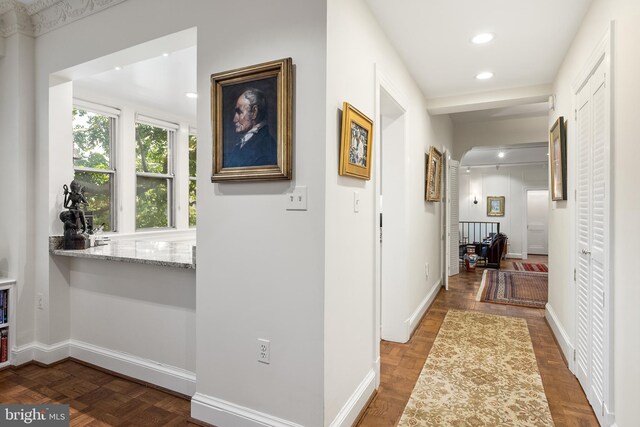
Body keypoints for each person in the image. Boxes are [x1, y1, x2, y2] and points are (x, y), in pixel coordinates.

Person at [223, 88, 277, 168]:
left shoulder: (265, 147)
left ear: (254, 112)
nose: (234, 119)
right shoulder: (248, 143)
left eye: (239, 112)